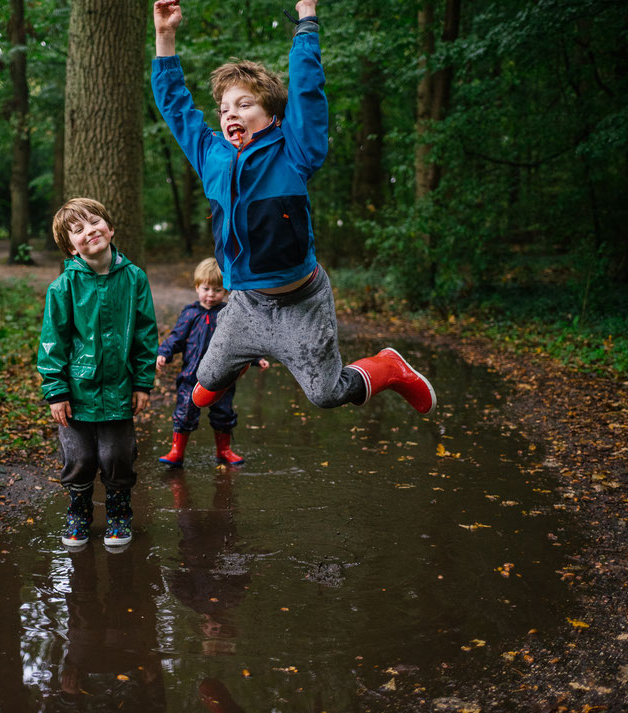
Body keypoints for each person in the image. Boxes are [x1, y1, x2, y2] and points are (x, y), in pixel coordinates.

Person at [151, 0, 436, 417]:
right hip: (245, 303)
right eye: (225, 108)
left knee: (326, 393)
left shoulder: (294, 151)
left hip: (302, 301)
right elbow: (176, 106)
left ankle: (388, 367)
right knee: (203, 383)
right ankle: (235, 360)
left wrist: (306, 21)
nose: (231, 113)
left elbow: (306, 92)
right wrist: (165, 35)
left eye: (244, 104)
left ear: (273, 116)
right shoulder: (210, 154)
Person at [37, 198, 158, 548]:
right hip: (77, 392)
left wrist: (142, 383)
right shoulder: (63, 287)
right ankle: (79, 510)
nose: (89, 231)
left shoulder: (134, 278)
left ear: (110, 227)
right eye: (78, 230)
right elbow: (52, 341)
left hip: (119, 388)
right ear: (70, 246)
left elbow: (145, 334)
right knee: (80, 457)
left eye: (94, 222)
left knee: (117, 455)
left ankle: (119, 512)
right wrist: (56, 391)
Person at [156, 258, 269, 466]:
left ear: (225, 292)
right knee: (185, 413)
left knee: (223, 413)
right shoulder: (190, 313)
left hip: (222, 377)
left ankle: (224, 450)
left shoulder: (227, 315)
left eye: (217, 290)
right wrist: (164, 352)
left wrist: (256, 358)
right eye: (206, 288)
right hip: (191, 377)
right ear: (197, 287)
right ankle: (176, 451)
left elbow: (240, 343)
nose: (210, 295)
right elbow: (176, 338)